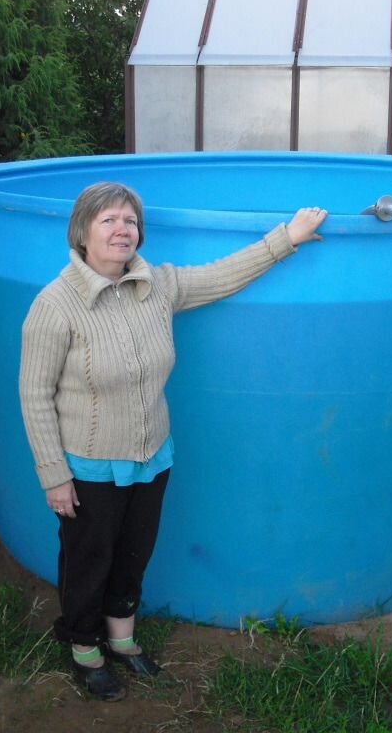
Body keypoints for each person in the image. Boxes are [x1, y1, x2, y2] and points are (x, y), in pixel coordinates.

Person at [19, 181, 328, 701]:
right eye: (108, 220)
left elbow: (224, 275)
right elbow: (33, 395)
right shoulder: (55, 305)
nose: (123, 229)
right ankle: (84, 647)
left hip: (152, 458)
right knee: (88, 560)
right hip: (90, 466)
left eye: (130, 220)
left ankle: (122, 639)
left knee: (133, 554)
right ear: (82, 233)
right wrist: (54, 475)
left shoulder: (157, 285)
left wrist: (286, 239)